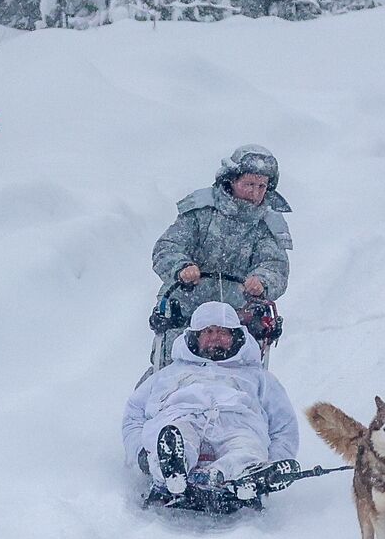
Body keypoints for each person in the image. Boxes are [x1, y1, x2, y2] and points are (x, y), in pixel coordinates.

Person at [123, 301, 300, 498]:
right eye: (208, 331)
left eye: (223, 332)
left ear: (235, 336)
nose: (215, 337)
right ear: (195, 337)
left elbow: (284, 426)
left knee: (245, 448)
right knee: (177, 436)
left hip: (238, 424)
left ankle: (245, 475)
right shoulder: (170, 373)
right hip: (182, 417)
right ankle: (172, 471)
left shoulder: (257, 377)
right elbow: (134, 414)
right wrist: (140, 454)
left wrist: (274, 459)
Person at [149, 144, 292, 369]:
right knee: (165, 374)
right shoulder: (200, 212)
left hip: (238, 322)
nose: (255, 192)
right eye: (249, 184)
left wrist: (261, 281)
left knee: (244, 376)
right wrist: (182, 267)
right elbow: (167, 247)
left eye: (262, 186)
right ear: (231, 180)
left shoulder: (268, 226)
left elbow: (275, 265)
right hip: (187, 316)